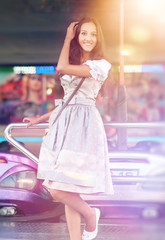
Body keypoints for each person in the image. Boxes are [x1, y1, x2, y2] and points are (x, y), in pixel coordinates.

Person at [23, 17, 114, 240]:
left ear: (98, 38)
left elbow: (61, 67)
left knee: (57, 190)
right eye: (83, 33)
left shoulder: (101, 65)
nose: (88, 38)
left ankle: (91, 215)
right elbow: (67, 101)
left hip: (84, 128)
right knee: (66, 188)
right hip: (64, 125)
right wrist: (40, 118)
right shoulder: (75, 60)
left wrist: (67, 38)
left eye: (92, 34)